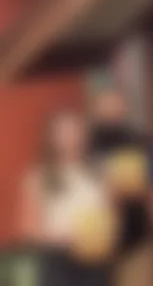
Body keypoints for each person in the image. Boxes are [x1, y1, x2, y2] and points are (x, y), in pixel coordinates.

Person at [20, 110, 113, 286]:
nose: (71, 138)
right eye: (64, 132)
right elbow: (28, 229)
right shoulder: (38, 177)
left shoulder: (100, 172)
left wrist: (104, 232)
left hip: (96, 259)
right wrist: (65, 238)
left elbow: (108, 215)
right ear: (51, 138)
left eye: (76, 131)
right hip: (58, 261)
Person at [88, 88, 153, 283]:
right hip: (97, 234)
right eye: (106, 106)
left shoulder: (136, 139)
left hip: (133, 233)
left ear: (124, 109)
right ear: (96, 109)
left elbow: (152, 182)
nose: (111, 112)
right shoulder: (87, 141)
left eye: (116, 106)